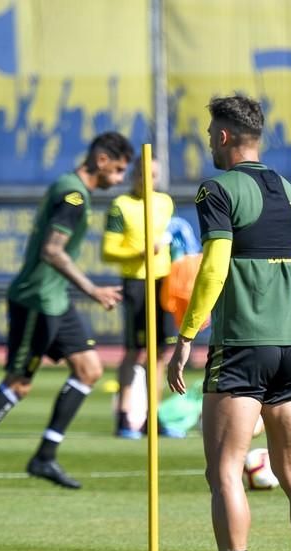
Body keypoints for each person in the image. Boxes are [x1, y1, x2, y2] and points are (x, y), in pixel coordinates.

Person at [167, 94, 291, 551]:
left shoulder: (217, 188)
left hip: (240, 348)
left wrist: (187, 335)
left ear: (223, 136)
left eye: (211, 131)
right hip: (290, 346)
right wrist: (285, 322)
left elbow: (213, 266)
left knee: (226, 472)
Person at [0, 132, 133, 497]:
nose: (120, 179)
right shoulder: (73, 195)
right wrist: (93, 289)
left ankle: (45, 456)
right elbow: (52, 251)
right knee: (18, 384)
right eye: (119, 170)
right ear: (102, 160)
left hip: (55, 298)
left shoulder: (71, 187)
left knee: (89, 370)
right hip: (35, 301)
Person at [101, 155, 184, 439]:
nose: (148, 179)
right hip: (136, 282)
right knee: (135, 351)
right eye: (143, 174)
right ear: (134, 175)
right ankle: (124, 417)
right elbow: (108, 250)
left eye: (154, 174)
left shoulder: (165, 202)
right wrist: (139, 253)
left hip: (164, 282)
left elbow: (173, 237)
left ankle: (153, 416)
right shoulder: (121, 205)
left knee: (160, 352)